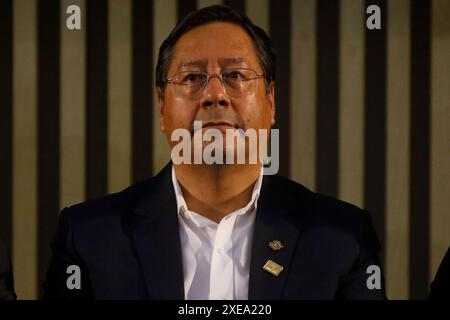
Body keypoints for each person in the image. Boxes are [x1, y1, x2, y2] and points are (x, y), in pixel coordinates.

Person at [42, 5, 386, 300]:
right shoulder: (88, 237)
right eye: (192, 77)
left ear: (270, 100)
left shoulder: (342, 238)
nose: (215, 94)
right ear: (162, 107)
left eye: (236, 75)